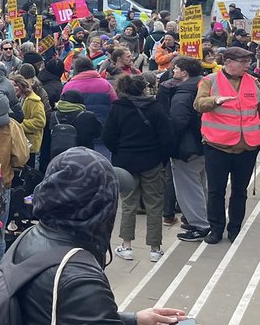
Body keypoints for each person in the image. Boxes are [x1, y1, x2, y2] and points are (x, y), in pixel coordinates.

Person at [11, 148, 207, 325]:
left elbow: (60, 317)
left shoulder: (31, 238)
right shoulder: (78, 276)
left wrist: (131, 324)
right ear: (100, 208)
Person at [103, 74, 174, 263]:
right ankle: (155, 248)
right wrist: (161, 158)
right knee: (155, 204)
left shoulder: (117, 108)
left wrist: (119, 152)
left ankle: (126, 246)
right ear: (143, 89)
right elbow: (167, 137)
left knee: (128, 204)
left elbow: (108, 136)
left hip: (126, 162)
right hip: (152, 161)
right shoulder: (155, 107)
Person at [193, 45, 260, 244]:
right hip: (217, 146)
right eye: (244, 62)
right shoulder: (209, 81)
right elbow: (198, 104)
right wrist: (215, 100)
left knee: (240, 191)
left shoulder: (254, 83)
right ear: (229, 62)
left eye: (249, 62)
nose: (248, 65)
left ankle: (235, 228)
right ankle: (215, 228)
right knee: (216, 190)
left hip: (247, 147)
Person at [158, 56, 211, 241]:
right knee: (201, 184)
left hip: (187, 148)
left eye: (175, 69)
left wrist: (170, 146)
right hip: (206, 142)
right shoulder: (205, 85)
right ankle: (205, 218)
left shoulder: (182, 93)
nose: (173, 72)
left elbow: (177, 122)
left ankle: (199, 225)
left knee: (188, 187)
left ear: (184, 72)